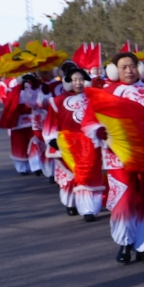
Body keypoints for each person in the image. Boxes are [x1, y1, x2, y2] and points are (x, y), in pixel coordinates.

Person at [97, 50, 144, 264]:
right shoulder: (107, 94)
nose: (129, 70)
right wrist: (101, 132)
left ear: (140, 69)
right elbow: (93, 122)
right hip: (119, 158)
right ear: (114, 70)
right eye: (123, 67)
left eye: (132, 66)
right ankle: (125, 243)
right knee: (125, 200)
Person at [48, 66, 106, 221]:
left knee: (89, 176)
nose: (78, 83)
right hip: (67, 144)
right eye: (74, 80)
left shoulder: (95, 99)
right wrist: (52, 139)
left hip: (90, 144)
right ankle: (71, 203)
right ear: (68, 82)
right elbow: (51, 122)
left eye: (81, 79)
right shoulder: (57, 101)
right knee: (70, 177)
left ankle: (89, 209)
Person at [0, 74, 43, 174]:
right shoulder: (13, 91)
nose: (28, 82)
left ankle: (36, 166)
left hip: (33, 121)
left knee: (35, 143)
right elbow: (8, 103)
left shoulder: (37, 89)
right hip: (18, 123)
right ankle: (22, 167)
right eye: (25, 80)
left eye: (30, 80)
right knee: (19, 145)